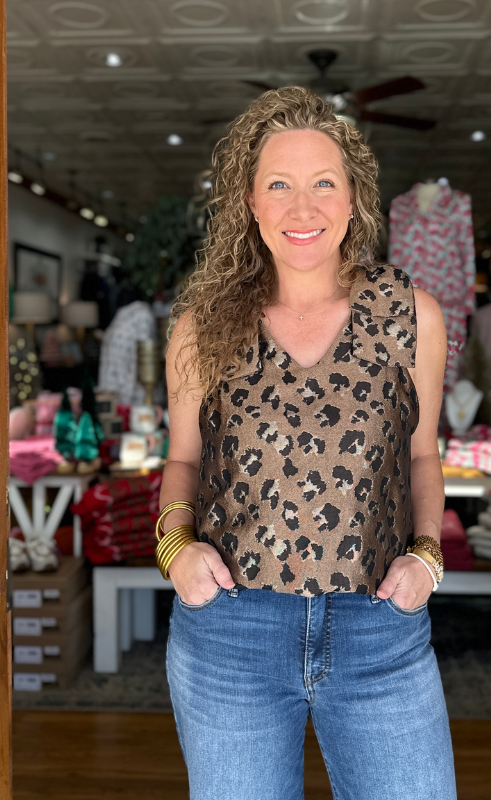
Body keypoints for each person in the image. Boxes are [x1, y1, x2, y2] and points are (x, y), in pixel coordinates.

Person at [159, 86, 456, 800]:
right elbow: (182, 462)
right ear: (251, 203)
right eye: (279, 186)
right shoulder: (203, 323)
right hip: (232, 635)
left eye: (324, 183)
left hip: (380, 630)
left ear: (353, 199)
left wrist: (427, 557)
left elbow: (422, 455)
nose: (303, 207)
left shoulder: (410, 312)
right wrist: (176, 551)